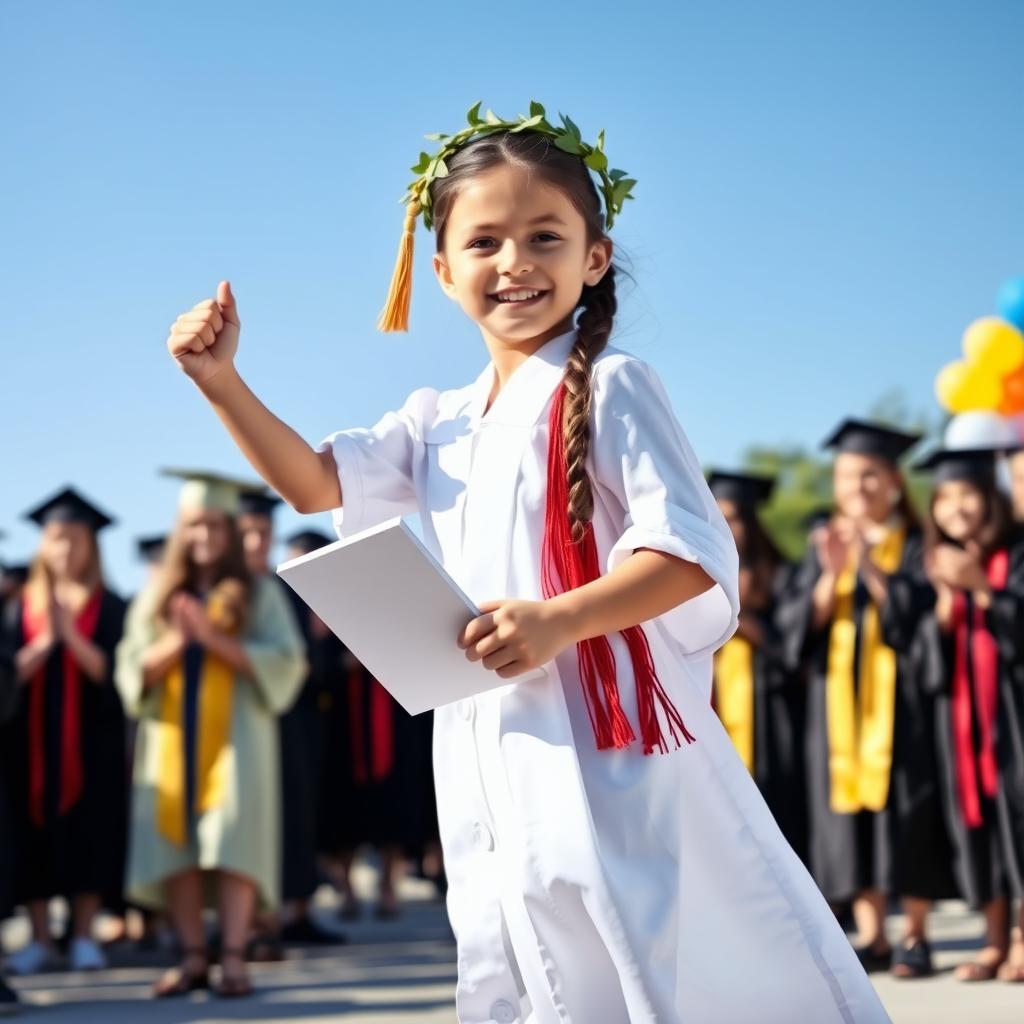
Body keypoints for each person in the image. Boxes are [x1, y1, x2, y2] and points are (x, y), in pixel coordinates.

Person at [163, 102, 889, 1022]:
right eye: (485, 242)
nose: (515, 263)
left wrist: (557, 618)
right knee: (512, 945)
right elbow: (312, 484)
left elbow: (692, 556)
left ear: (594, 256)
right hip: (486, 735)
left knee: (634, 948)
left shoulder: (616, 385)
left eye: (546, 235)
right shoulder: (437, 417)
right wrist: (221, 381)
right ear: (440, 269)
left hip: (604, 733)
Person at [114, 470, 305, 998]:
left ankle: (235, 958)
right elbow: (130, 668)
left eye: (216, 527)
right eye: (194, 526)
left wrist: (215, 641)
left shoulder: (258, 593)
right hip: (171, 737)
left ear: (230, 532)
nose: (204, 537)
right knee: (176, 844)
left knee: (232, 840)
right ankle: (194, 956)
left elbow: (289, 663)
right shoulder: (157, 596)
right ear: (181, 531)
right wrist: (179, 639)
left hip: (238, 739)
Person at [778, 420, 956, 980]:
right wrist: (831, 578)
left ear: (896, 482)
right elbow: (793, 629)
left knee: (906, 812)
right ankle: (874, 935)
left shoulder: (921, 544)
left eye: (870, 476)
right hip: (837, 710)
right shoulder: (824, 543)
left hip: (905, 708)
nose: (858, 488)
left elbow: (927, 618)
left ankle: (917, 936)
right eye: (849, 477)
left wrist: (875, 571)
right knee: (849, 823)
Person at [0, 488, 128, 975]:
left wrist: (71, 636)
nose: (65, 550)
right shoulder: (17, 608)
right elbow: (8, 674)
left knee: (90, 832)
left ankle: (82, 935)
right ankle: (38, 937)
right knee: (31, 836)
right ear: (42, 546)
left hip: (93, 744)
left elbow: (115, 675)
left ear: (93, 547)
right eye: (56, 539)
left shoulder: (112, 606)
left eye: (76, 540)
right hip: (28, 745)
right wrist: (45, 641)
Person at [917, 447, 1024, 983]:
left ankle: (1023, 939)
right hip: (962, 719)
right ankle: (994, 937)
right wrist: (944, 600)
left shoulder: (1018, 552)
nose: (956, 507)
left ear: (991, 498)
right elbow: (923, 660)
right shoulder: (934, 563)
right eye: (945, 498)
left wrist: (981, 585)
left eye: (968, 494)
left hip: (1015, 716)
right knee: (976, 821)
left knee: (1019, 815)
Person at [708, 471, 807, 863]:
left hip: (770, 707)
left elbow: (794, 648)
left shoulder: (781, 575)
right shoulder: (697, 572)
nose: (725, 526)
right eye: (716, 516)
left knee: (776, 801)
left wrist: (738, 617)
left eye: (732, 517)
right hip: (716, 700)